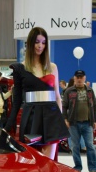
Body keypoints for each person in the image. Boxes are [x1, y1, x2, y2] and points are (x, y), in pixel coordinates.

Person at [4, 27, 69, 160]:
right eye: (37, 42)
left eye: (43, 42)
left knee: (48, 163)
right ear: (30, 43)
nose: (40, 46)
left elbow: (57, 96)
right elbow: (17, 101)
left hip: (51, 118)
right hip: (31, 119)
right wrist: (7, 126)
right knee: (33, 163)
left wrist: (60, 120)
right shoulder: (19, 68)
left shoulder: (53, 67)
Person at [62, 70, 96, 172]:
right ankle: (78, 167)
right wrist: (65, 119)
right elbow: (64, 106)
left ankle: (93, 168)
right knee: (75, 147)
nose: (79, 79)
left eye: (81, 77)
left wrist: (95, 120)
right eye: (77, 77)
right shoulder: (69, 91)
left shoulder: (90, 90)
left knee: (90, 146)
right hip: (73, 124)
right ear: (74, 78)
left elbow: (95, 106)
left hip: (88, 123)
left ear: (84, 78)